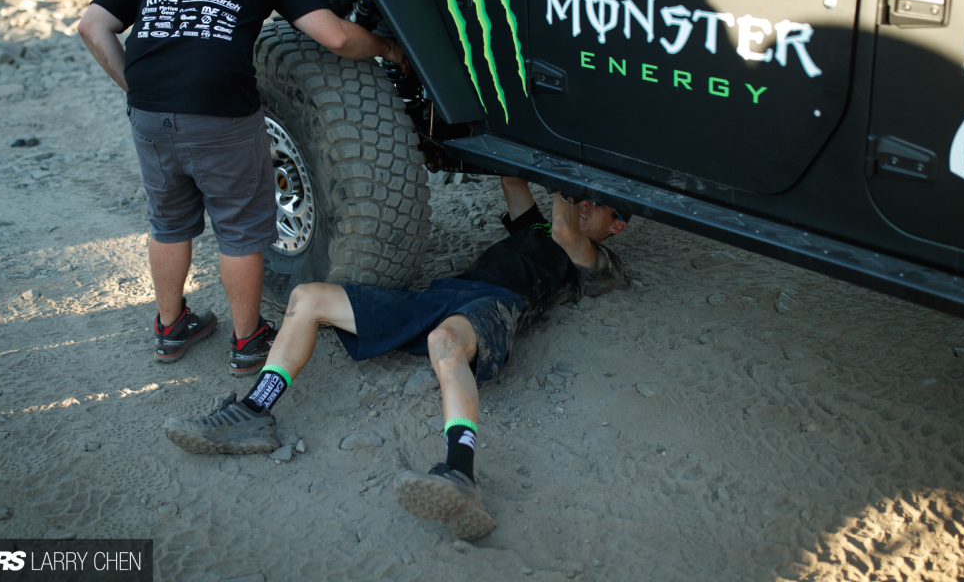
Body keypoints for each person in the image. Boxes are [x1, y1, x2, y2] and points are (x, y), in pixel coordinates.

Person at [162, 176, 630, 540]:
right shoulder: (539, 227)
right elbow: (513, 182)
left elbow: (568, 228)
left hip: (496, 305)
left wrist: (564, 173)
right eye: (581, 197)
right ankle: (254, 410)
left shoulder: (592, 259)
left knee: (444, 343)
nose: (583, 205)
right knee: (308, 297)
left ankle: (460, 473)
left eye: (596, 203)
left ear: (617, 224)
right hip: (441, 295)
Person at [78, 0, 406, 374]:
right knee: (240, 230)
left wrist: (135, 87)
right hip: (220, 114)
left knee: (167, 222)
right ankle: (248, 340)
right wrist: (386, 48)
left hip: (149, 111)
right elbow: (335, 36)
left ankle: (170, 329)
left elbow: (91, 25)